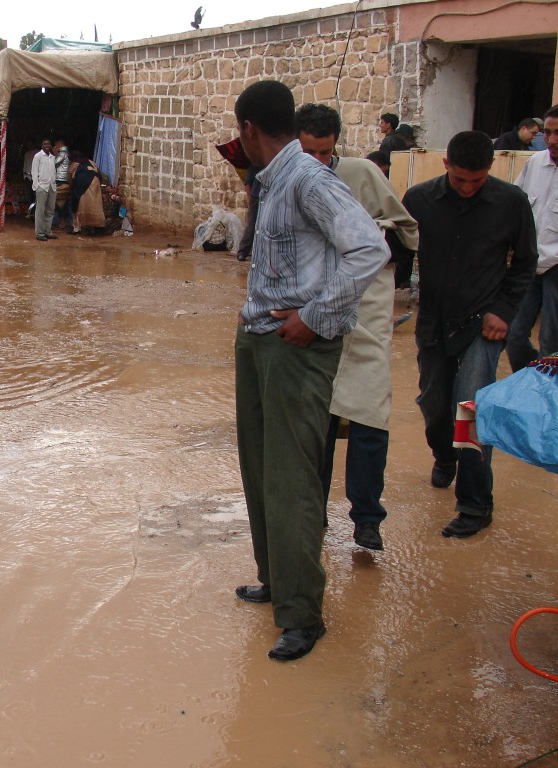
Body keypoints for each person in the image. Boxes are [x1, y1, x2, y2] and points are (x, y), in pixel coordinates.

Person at [232, 81, 389, 661]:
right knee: (258, 464)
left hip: (298, 347)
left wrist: (317, 317)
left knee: (293, 479)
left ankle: (303, 617)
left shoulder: (309, 180)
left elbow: (369, 248)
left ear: (249, 128)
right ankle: (276, 581)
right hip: (258, 338)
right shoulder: (271, 181)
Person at [295, 103, 419, 552]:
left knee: (369, 415)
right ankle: (313, 517)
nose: (318, 163)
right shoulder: (284, 178)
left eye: (325, 153)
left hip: (365, 313)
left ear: (336, 146)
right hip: (311, 314)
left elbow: (406, 229)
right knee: (317, 421)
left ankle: (367, 520)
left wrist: (373, 230)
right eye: (308, 152)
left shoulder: (362, 174)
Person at [402, 131, 536, 538]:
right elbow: (394, 253)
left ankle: (475, 505)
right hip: (433, 322)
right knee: (434, 403)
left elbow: (525, 264)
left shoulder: (511, 202)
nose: (467, 188)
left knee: (472, 410)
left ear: (489, 170)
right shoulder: (419, 200)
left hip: (483, 323)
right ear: (446, 165)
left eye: (477, 181)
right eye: (460, 179)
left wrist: (504, 311)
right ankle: (444, 455)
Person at [506, 104, 558, 372]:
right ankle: (532, 383)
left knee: (552, 342)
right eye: (547, 133)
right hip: (530, 262)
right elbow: (516, 205)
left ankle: (548, 404)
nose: (551, 140)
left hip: (556, 268)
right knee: (514, 335)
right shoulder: (535, 163)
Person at [69, 151, 105, 233]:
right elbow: (99, 174)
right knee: (94, 206)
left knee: (78, 205)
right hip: (95, 184)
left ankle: (76, 228)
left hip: (81, 186)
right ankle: (92, 228)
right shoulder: (92, 163)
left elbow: (70, 178)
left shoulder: (74, 165)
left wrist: (71, 190)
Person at [31, 137, 57, 242]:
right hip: (42, 186)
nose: (47, 145)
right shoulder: (38, 156)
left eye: (48, 144)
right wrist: (36, 185)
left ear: (50, 145)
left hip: (51, 186)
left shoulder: (52, 157)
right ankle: (40, 233)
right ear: (42, 146)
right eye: (45, 144)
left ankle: (47, 231)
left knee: (50, 211)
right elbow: (34, 172)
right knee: (40, 211)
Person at [52, 136, 73, 231]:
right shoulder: (66, 153)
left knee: (61, 202)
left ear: (59, 144)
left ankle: (62, 221)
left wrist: (54, 153)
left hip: (61, 180)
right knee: (61, 202)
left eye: (56, 144)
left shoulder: (62, 153)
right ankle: (61, 221)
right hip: (62, 179)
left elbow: (54, 163)